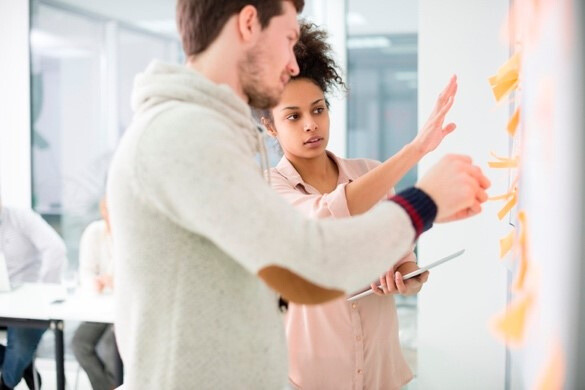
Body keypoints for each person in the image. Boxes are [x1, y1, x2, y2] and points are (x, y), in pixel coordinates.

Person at [106, 0, 490, 388]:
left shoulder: (216, 133)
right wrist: (425, 200)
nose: (293, 63)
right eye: (289, 39)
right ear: (249, 23)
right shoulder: (185, 134)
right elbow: (310, 262)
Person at [257, 22, 458, 389]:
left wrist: (408, 278)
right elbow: (322, 218)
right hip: (311, 374)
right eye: (293, 116)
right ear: (270, 127)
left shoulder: (371, 174)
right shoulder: (270, 187)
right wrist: (414, 151)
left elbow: (402, 258)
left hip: (380, 368)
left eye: (318, 110)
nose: (310, 125)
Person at [0, 201, 67, 390]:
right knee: (18, 354)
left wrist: (43, 291)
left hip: (30, 305)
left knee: (20, 345)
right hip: (3, 301)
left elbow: (56, 249)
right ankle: (23, 365)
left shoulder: (21, 217)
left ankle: (5, 384)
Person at [72, 200, 118, 390]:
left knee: (109, 350)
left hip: (122, 312)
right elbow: (86, 272)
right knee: (79, 344)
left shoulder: (133, 236)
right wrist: (96, 283)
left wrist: (116, 283)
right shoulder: (94, 233)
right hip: (99, 309)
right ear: (102, 209)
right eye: (108, 208)